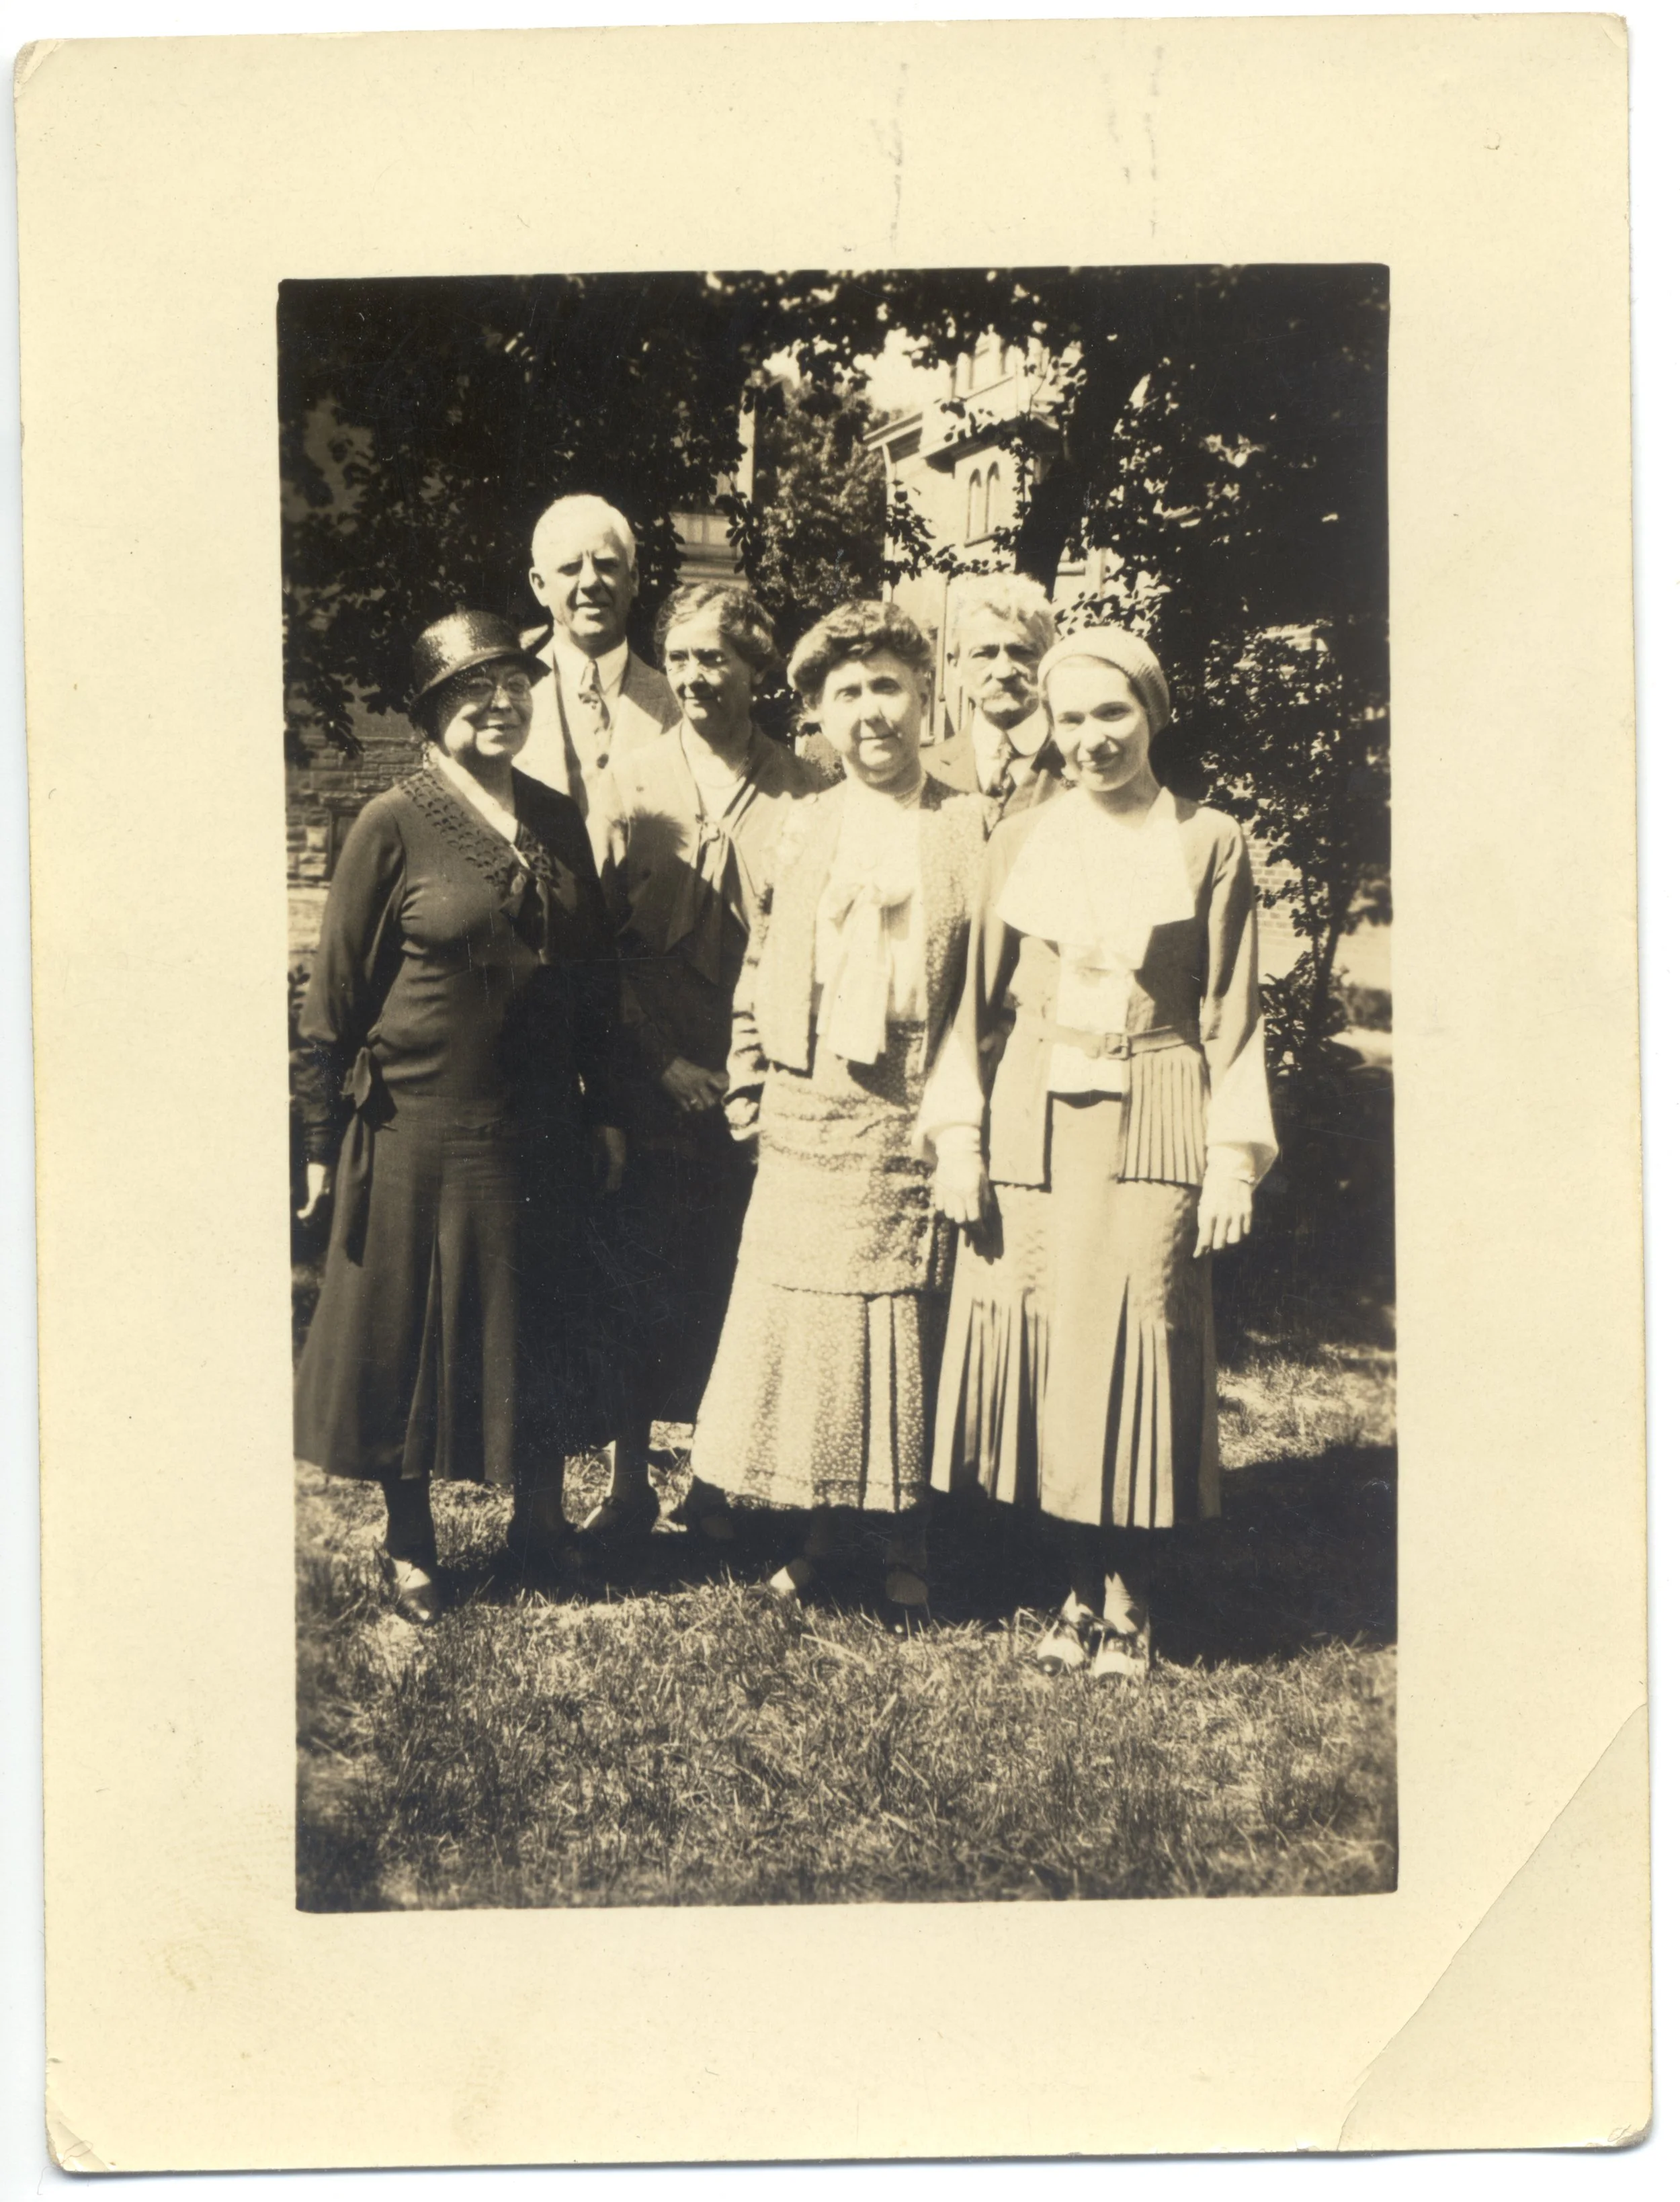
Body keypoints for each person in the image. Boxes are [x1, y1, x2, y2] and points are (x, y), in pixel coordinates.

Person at [923, 625, 1275, 1679]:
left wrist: (1233, 1158)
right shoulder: (1020, 842)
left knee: (1137, 1337)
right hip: (1032, 1115)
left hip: (1156, 1114)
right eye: (1068, 718)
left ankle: (1131, 1598)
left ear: (1154, 715)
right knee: (1049, 1349)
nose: (1090, 738)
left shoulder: (1210, 840)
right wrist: (956, 1134)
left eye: (1111, 713)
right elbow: (964, 1009)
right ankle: (1075, 1592)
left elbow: (1235, 1016)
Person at [292, 611, 629, 1625]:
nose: (501, 701)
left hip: (539, 1127)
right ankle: (410, 1544)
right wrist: (316, 1142)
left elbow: (595, 983)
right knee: (411, 1334)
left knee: (540, 1320)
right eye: (474, 690)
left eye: (517, 684)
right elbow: (334, 998)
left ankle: (541, 1523)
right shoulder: (391, 821)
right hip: (420, 1128)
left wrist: (606, 1109)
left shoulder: (559, 818)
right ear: (434, 711)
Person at [687, 601, 989, 1625]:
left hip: (916, 1101)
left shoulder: (967, 824)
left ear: (924, 699)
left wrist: (960, 1116)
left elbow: (987, 988)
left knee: (901, 1316)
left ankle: (905, 1533)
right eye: (847, 693)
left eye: (890, 688)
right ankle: (818, 1528)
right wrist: (746, 1075)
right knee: (814, 1322)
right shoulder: (801, 821)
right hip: (811, 1101)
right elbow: (761, 959)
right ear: (816, 712)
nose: (872, 712)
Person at [585, 583, 816, 1542]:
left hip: (760, 1080)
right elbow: (596, 944)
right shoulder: (628, 779)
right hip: (648, 1068)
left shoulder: (807, 788)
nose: (694, 677)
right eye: (679, 659)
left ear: (757, 668)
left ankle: (716, 1483)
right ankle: (627, 1480)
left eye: (715, 658)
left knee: (731, 1276)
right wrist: (661, 1061)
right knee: (635, 1275)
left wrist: (751, 1072)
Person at [518, 495, 681, 851]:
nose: (591, 581)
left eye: (607, 564)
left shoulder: (678, 704)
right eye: (570, 568)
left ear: (634, 578)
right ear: (539, 585)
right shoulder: (506, 700)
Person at [925, 575, 1064, 821]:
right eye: (984, 654)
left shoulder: (1084, 769)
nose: (1004, 672)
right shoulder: (923, 771)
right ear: (955, 666)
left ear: (1049, 662)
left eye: (1021, 652)